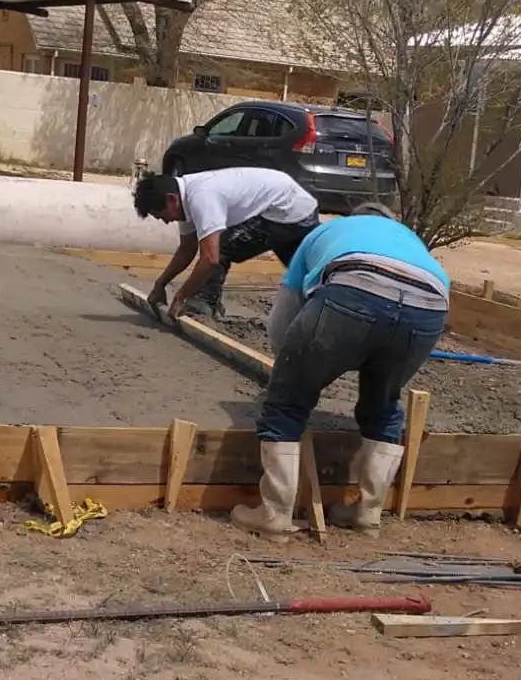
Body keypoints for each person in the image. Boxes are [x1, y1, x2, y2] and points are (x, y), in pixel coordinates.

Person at [230, 212, 450, 535]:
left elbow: (282, 326)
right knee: (383, 404)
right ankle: (367, 515)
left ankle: (274, 514)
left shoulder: (325, 232)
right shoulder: (409, 239)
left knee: (287, 401)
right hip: (430, 304)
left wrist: (294, 370)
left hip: (354, 284)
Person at [133, 167, 319, 320]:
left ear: (171, 199)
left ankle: (204, 304)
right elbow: (186, 250)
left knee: (220, 247)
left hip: (288, 209)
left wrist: (181, 297)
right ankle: (318, 311)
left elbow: (210, 258)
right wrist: (160, 284)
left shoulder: (201, 197)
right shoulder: (184, 198)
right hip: (289, 205)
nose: (166, 221)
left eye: (163, 215)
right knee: (305, 272)